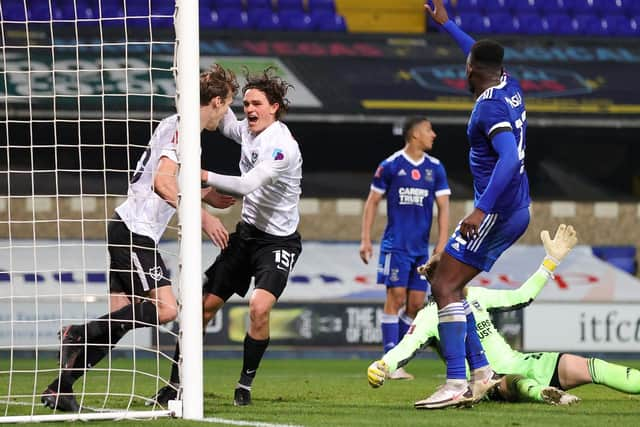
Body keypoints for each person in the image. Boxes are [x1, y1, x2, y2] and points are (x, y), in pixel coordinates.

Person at [40, 64, 239, 412]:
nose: (225, 117)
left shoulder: (171, 124)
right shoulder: (184, 132)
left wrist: (205, 194)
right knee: (166, 309)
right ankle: (78, 333)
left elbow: (159, 177)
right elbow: (163, 182)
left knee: (118, 322)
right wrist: (203, 216)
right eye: (227, 107)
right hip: (136, 232)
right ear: (218, 102)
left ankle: (61, 388)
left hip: (124, 227)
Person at [150, 67, 303, 407]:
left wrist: (200, 173)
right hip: (245, 236)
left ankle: (244, 385)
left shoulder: (282, 147)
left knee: (259, 308)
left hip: (278, 242)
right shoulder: (246, 130)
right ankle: (175, 385)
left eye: (257, 103)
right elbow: (218, 113)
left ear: (274, 107)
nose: (249, 109)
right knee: (200, 310)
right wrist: (206, 82)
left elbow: (247, 185)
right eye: (246, 103)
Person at [406, 0, 532, 409]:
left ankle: (456, 381)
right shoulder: (508, 84)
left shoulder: (490, 106)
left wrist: (479, 211)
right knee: (450, 282)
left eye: (467, 63)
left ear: (472, 71)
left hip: (496, 212)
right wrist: (448, 25)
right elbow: (477, 49)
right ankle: (480, 374)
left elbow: (510, 159)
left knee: (443, 284)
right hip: (515, 207)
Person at [369, 224, 640, 407]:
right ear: (443, 278)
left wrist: (551, 262)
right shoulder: (431, 315)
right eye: (457, 269)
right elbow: (405, 348)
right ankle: (545, 395)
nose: (465, 272)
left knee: (589, 366)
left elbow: (521, 297)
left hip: (523, 362)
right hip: (486, 381)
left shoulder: (476, 296)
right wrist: (383, 366)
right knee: (511, 383)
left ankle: (545, 389)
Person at [359, 116, 450, 380]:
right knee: (395, 298)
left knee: (415, 305)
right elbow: (372, 201)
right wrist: (365, 239)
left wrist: (441, 245)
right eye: (428, 130)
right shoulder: (391, 165)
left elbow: (444, 208)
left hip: (421, 250)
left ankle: (395, 359)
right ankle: (391, 362)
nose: (433, 134)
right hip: (396, 246)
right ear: (414, 135)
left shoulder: (436, 168)